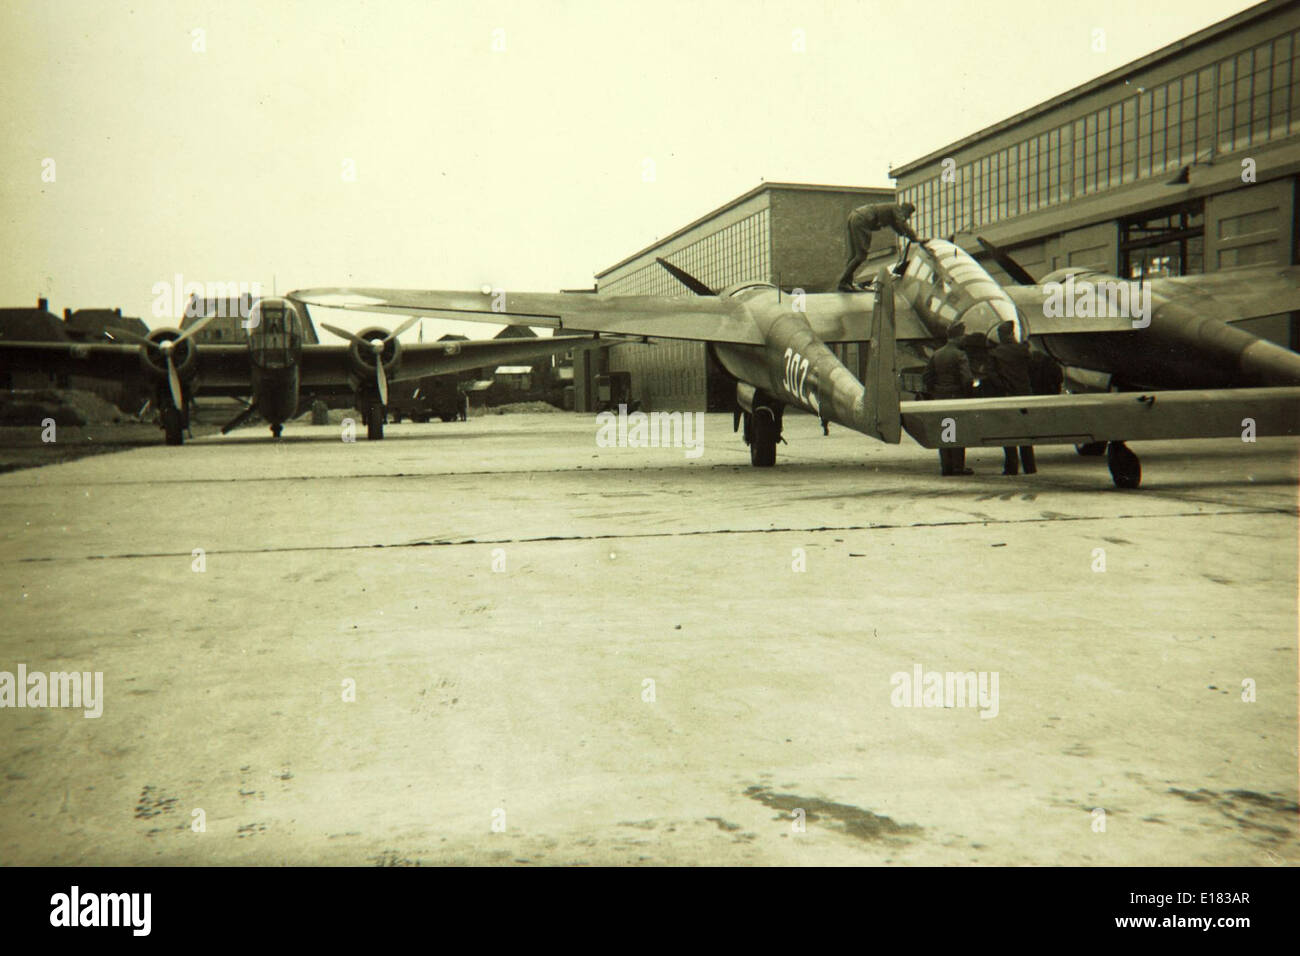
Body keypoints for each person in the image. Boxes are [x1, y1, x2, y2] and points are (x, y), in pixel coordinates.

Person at [922, 322, 974, 476]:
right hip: (956, 397)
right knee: (957, 432)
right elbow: (967, 379)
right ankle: (958, 467)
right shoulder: (960, 355)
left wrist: (936, 391)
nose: (964, 338)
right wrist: (967, 395)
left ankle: (946, 467)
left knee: (945, 432)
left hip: (940, 398)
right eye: (963, 335)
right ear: (958, 336)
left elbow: (926, 377)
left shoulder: (937, 354)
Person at [836, 202, 920, 292]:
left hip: (855, 217)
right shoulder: (896, 208)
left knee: (853, 255)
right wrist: (915, 238)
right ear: (905, 210)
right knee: (860, 256)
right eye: (909, 214)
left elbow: (898, 228)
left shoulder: (892, 211)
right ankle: (843, 283)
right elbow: (902, 223)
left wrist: (906, 234)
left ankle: (848, 282)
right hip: (862, 220)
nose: (908, 217)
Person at [989, 321, 1037, 475]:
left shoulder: (996, 353)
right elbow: (1031, 365)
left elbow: (992, 374)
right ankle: (1029, 467)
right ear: (1012, 334)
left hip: (1007, 395)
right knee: (1025, 430)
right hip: (1024, 394)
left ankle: (1011, 467)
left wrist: (1003, 385)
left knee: (1008, 431)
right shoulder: (1022, 350)